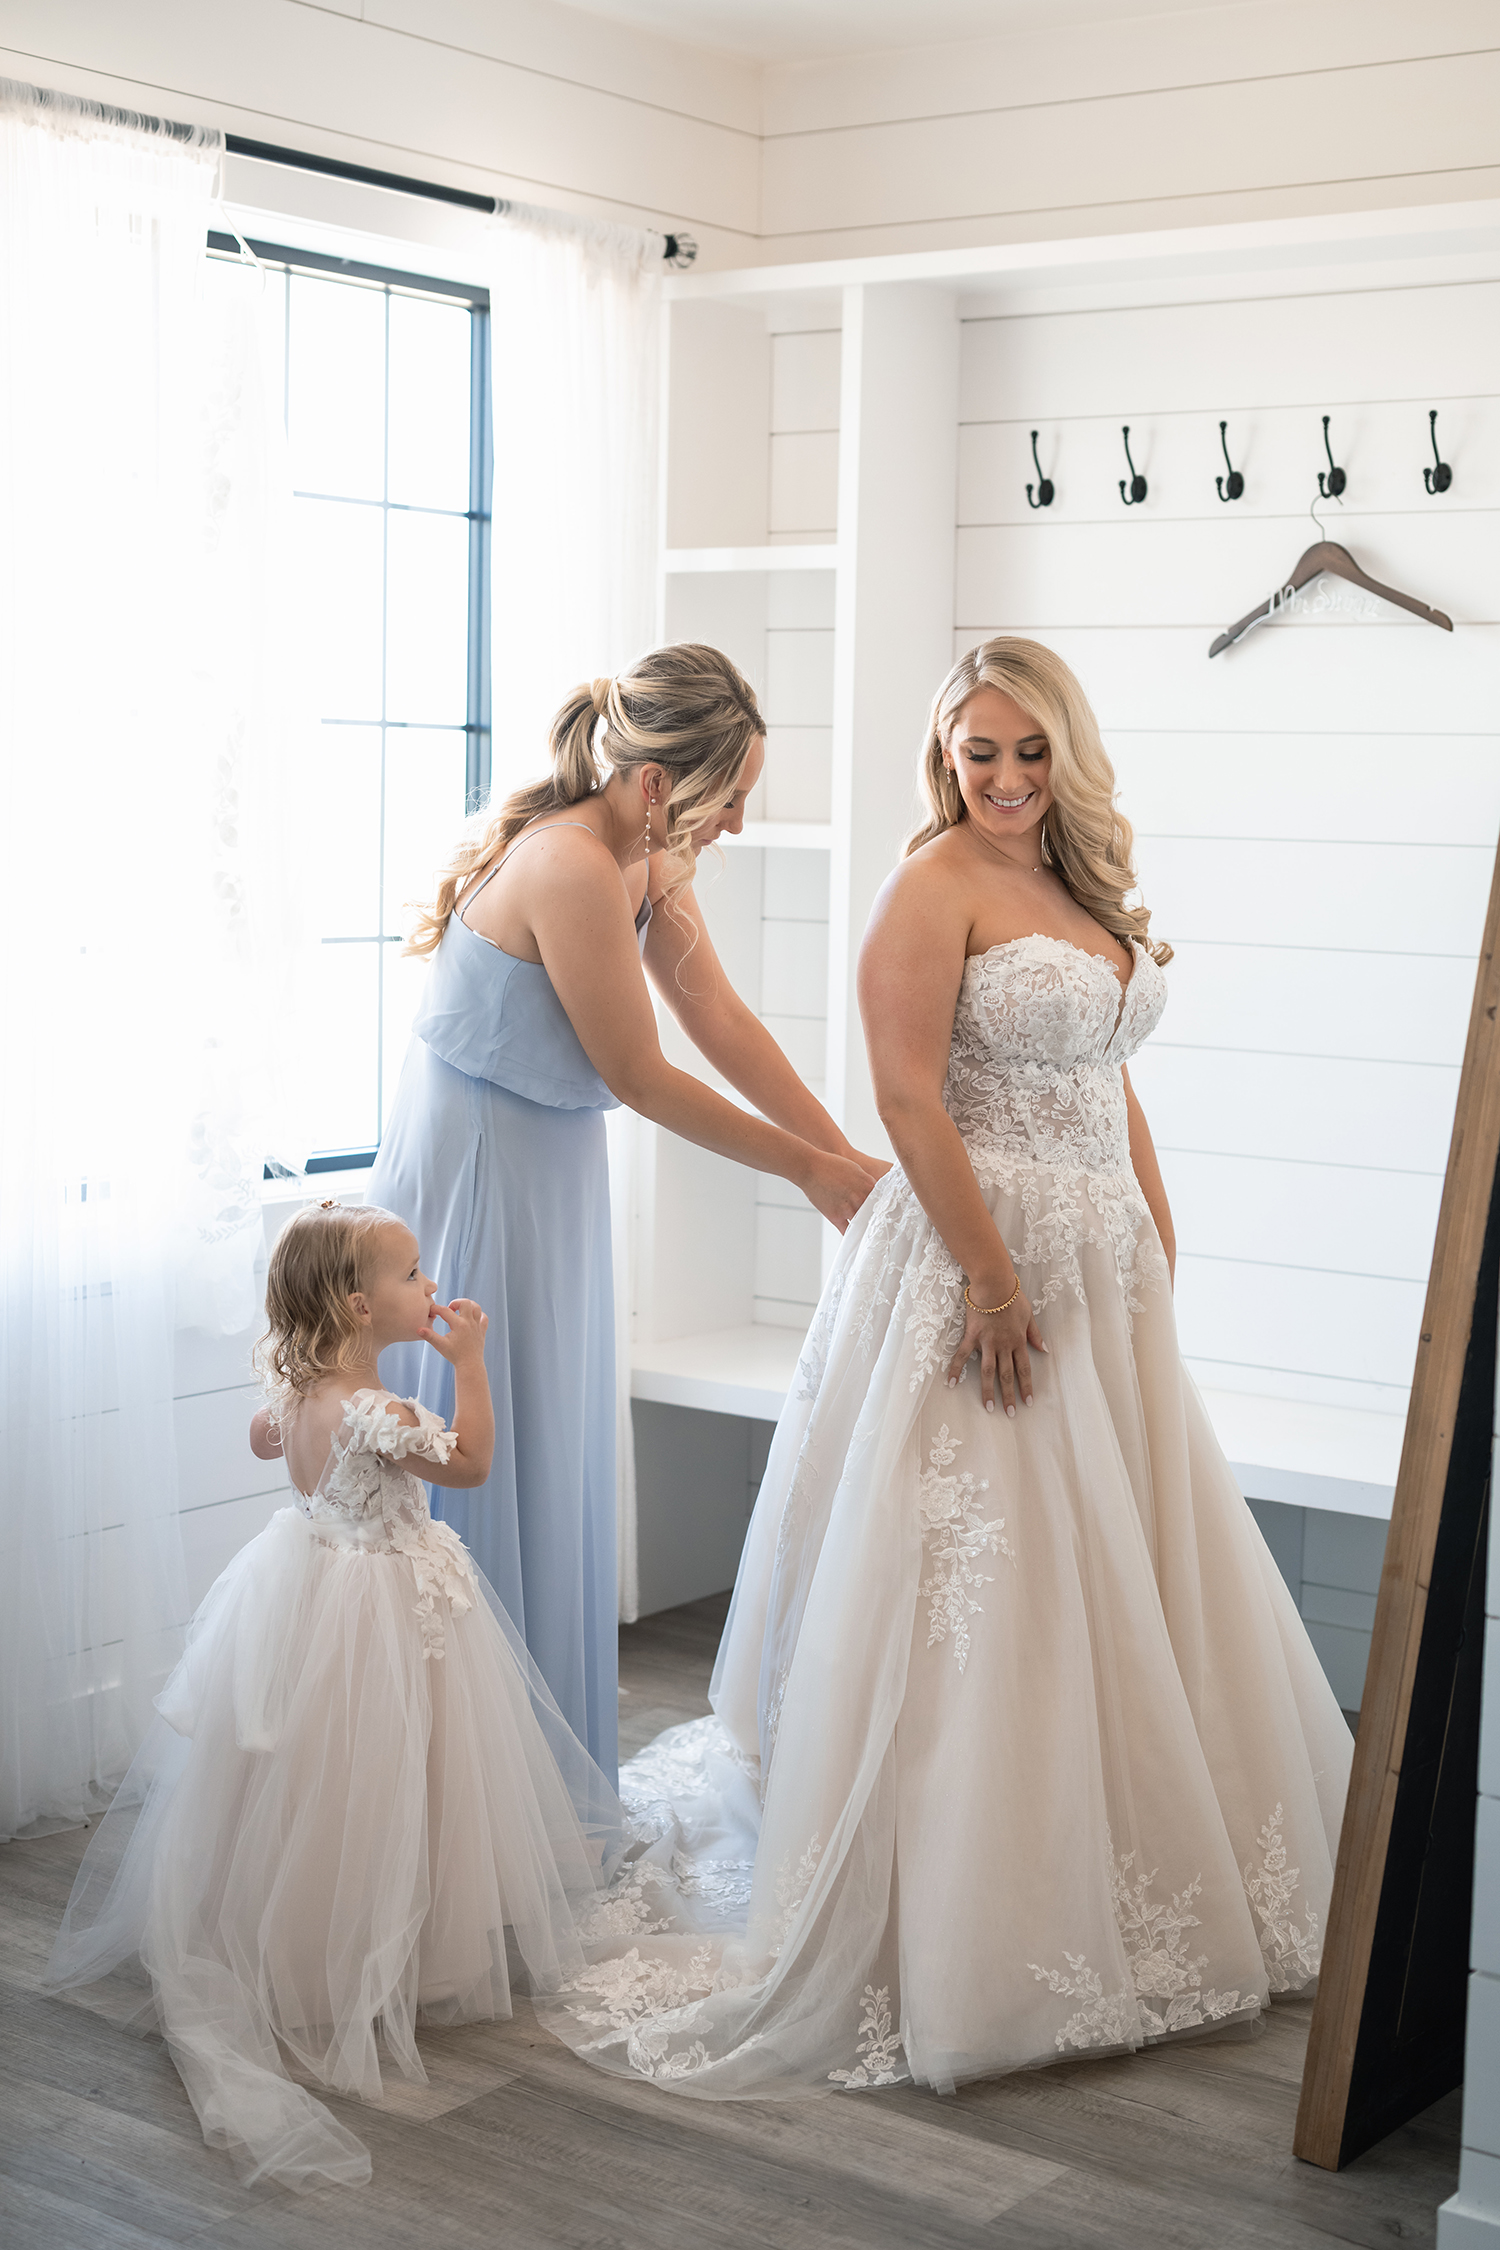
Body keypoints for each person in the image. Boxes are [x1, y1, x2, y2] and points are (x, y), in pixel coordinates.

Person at [537, 636, 1354, 2097]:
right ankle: (974, 1899)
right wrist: (987, 1269)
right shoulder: (928, 888)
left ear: (1067, 754)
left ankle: (1136, 1849)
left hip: (1103, 1267)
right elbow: (909, 1097)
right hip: (981, 1254)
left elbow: (1107, 1071)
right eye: (979, 752)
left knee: (1127, 1556)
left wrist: (1156, 1232)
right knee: (994, 1563)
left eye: (1029, 751)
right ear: (945, 757)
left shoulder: (1083, 887)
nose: (1006, 779)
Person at [369, 643, 880, 1781]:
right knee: (494, 1438)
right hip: (484, 1169)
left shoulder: (649, 855)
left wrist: (844, 1155)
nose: (738, 825)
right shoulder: (569, 865)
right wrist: (808, 1174)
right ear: (658, 782)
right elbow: (643, 1075)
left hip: (553, 1164)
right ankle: (462, 1790)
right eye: (730, 799)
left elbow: (724, 1026)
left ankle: (542, 1785)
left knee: (552, 1435)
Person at [45, 1200, 622, 2190]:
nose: (431, 1289)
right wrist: (470, 1363)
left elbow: (268, 1441)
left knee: (322, 1777)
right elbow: (473, 1463)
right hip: (387, 1609)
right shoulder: (381, 1413)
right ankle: (393, 1944)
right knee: (402, 1769)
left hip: (316, 1589)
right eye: (412, 1277)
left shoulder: (301, 1392)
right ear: (362, 1306)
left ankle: (305, 1929)